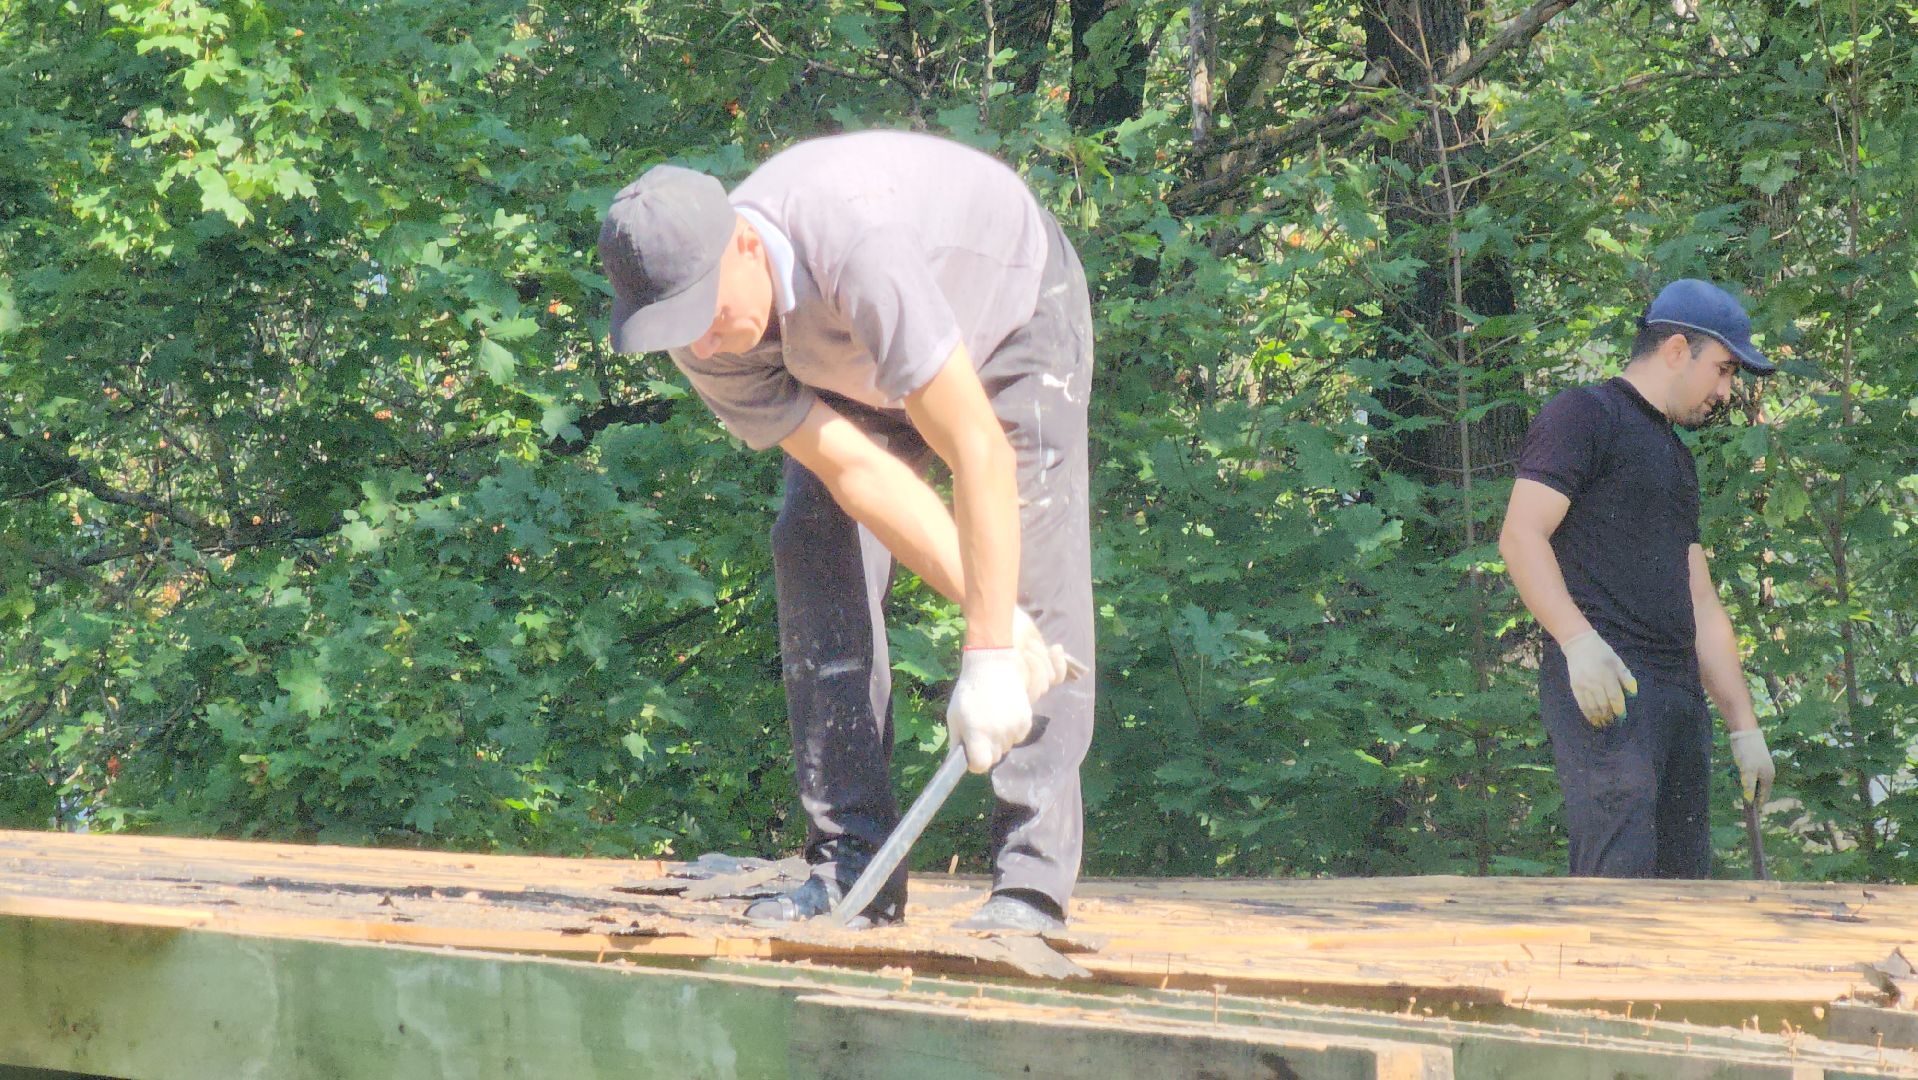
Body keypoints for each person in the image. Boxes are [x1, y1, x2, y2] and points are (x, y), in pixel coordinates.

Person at [598, 131, 1094, 930]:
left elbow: (978, 452)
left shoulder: (858, 245)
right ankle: (852, 866)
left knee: (1028, 550)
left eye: (709, 314)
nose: (700, 342)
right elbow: (859, 474)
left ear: (748, 244)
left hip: (1008, 315)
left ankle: (1029, 884)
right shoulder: (703, 336)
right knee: (810, 535)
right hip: (850, 359)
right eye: (678, 328)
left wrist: (995, 647)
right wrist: (995, 616)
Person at [1498, 279, 1779, 877]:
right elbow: (1521, 535)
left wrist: (1744, 726)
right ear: (1678, 349)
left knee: (1684, 888)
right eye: (1724, 370)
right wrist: (1577, 643)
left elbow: (1700, 601)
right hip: (1607, 688)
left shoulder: (1676, 459)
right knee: (1617, 880)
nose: (1726, 392)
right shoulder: (1584, 415)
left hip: (1678, 697)